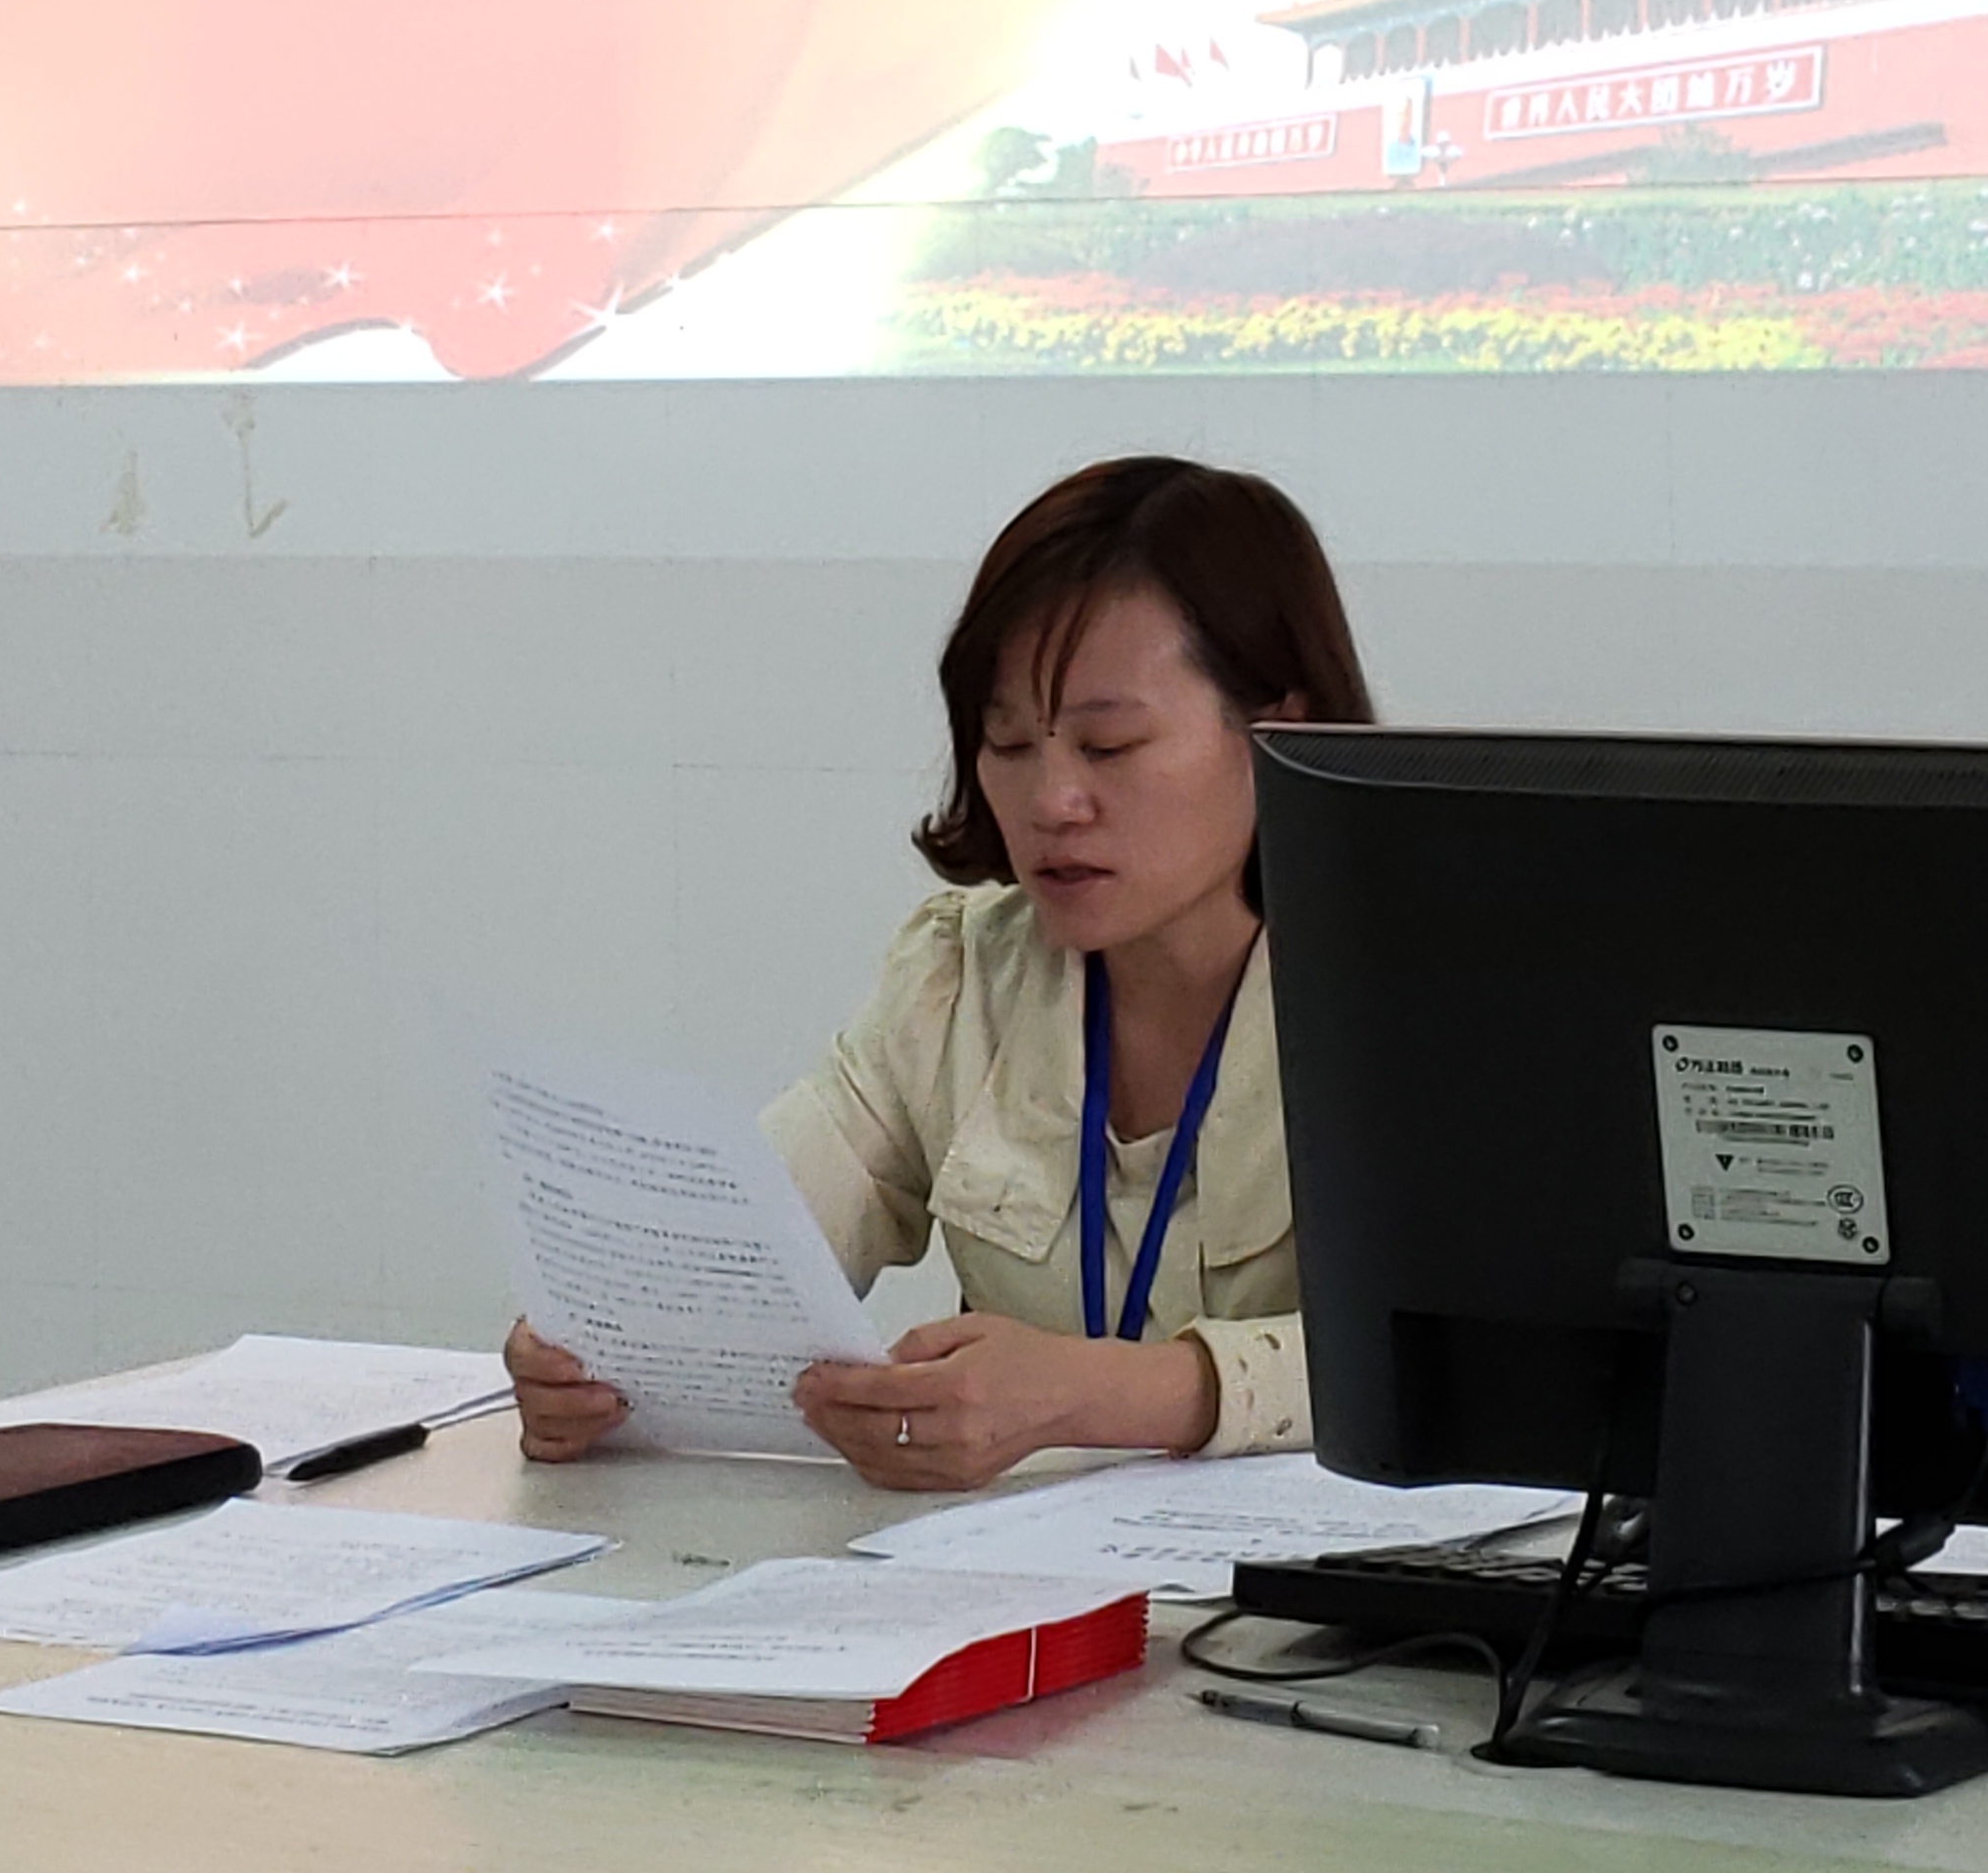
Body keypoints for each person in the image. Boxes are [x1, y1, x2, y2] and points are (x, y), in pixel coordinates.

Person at [505, 455, 1373, 1489]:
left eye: (1108, 746)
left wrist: (1112, 1395)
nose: (1051, 801)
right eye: (1008, 744)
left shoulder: (1423, 996)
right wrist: (602, 1341)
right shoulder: (961, 975)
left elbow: (1474, 1358)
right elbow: (749, 1247)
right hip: (1019, 1567)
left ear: (1279, 731)